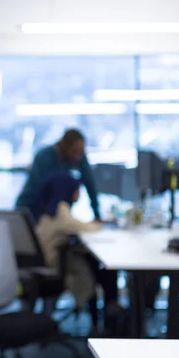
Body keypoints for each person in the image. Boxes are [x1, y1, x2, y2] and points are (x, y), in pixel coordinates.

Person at [32, 172, 120, 324]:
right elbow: (79, 227)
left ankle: (105, 317)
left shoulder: (47, 208)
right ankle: (106, 317)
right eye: (77, 190)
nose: (78, 194)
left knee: (93, 262)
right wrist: (99, 224)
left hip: (44, 262)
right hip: (54, 265)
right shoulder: (59, 210)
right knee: (96, 267)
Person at [16, 128, 101, 221]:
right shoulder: (44, 157)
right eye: (75, 151)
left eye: (81, 151)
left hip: (53, 212)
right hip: (30, 209)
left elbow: (90, 183)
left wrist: (97, 215)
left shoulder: (78, 155)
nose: (79, 156)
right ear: (63, 145)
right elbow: (48, 190)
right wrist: (73, 188)